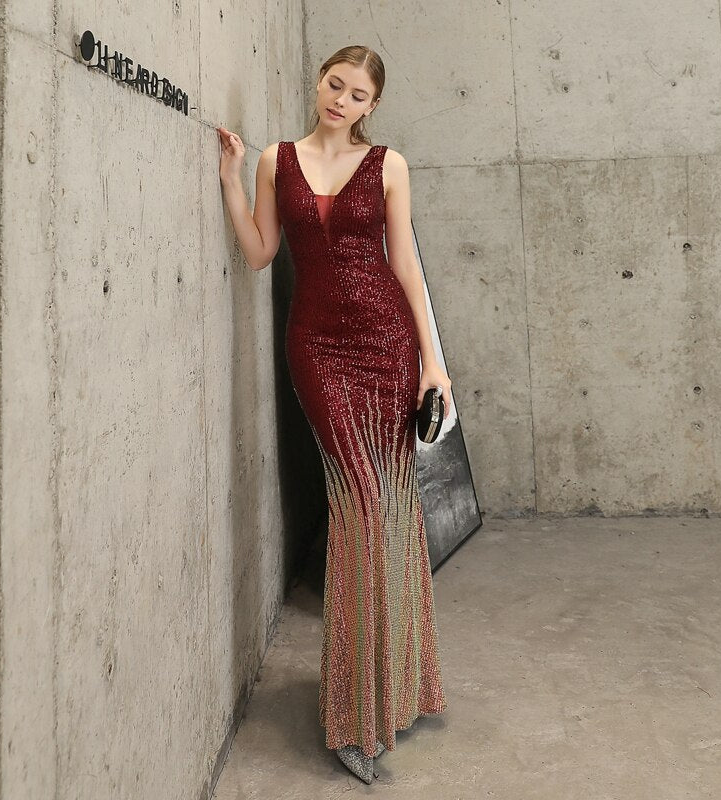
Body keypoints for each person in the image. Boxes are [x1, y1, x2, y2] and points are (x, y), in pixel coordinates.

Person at [216, 44, 451, 784]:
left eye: (356, 94)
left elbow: (404, 265)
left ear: (372, 106)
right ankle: (353, 713)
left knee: (391, 511)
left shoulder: (389, 165)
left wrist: (434, 363)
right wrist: (230, 178)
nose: (340, 99)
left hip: (386, 343)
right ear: (318, 82)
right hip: (317, 349)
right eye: (334, 84)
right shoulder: (275, 160)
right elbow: (261, 252)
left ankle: (399, 683)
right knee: (358, 511)